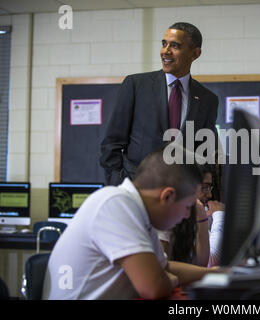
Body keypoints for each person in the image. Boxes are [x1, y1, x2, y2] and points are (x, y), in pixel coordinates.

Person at [42, 146, 218, 300]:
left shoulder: (139, 213)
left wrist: (214, 274)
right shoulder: (116, 204)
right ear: (167, 196)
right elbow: (153, 287)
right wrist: (167, 277)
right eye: (188, 206)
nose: (187, 215)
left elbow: (165, 267)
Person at [100, 22, 219, 186]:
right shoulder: (135, 85)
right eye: (164, 44)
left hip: (179, 195)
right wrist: (119, 184)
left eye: (175, 46)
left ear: (195, 53)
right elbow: (111, 144)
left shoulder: (207, 99)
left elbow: (205, 152)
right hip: (136, 189)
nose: (166, 51)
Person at [159, 166, 225, 268]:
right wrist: (220, 215)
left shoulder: (196, 213)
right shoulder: (165, 216)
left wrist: (202, 217)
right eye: (204, 188)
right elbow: (210, 263)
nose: (210, 195)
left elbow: (201, 262)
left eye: (209, 188)